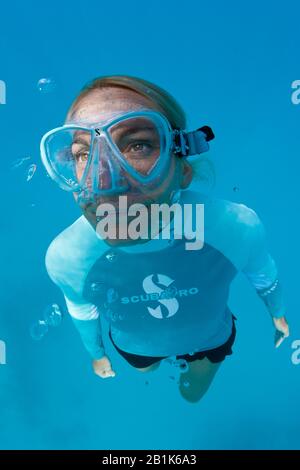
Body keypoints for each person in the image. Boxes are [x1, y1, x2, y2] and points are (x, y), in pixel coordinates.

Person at [41, 75, 289, 403]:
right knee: (146, 367)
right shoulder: (68, 255)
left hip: (210, 340)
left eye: (137, 144)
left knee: (192, 395)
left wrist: (277, 313)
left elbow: (263, 273)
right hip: (135, 347)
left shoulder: (234, 226)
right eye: (82, 154)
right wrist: (98, 353)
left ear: (183, 167)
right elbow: (82, 307)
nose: (103, 180)